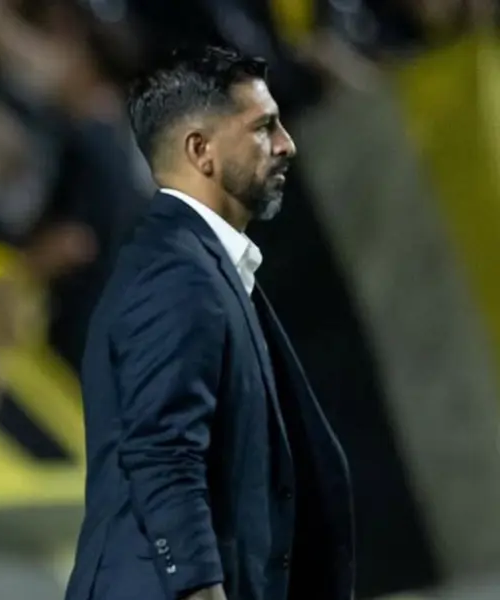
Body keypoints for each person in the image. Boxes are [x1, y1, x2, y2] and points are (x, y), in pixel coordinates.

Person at [65, 47, 354, 600]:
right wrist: (200, 589)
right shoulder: (176, 275)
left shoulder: (204, 267)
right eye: (264, 127)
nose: (286, 144)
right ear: (201, 151)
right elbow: (162, 452)